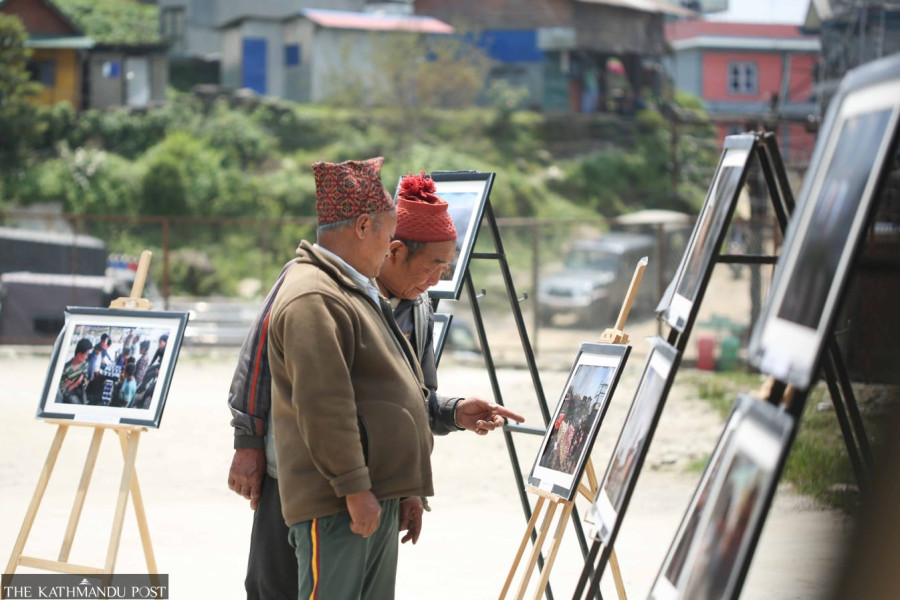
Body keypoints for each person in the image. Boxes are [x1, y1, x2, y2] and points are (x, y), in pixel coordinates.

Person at [229, 168, 524, 600]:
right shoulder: (318, 291)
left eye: (447, 266)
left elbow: (410, 398)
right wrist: (248, 443)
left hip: (368, 488)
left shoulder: (415, 308)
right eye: (434, 264)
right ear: (393, 247)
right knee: (275, 586)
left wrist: (447, 422)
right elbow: (278, 378)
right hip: (302, 476)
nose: (439, 279)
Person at [57, 338, 92, 404]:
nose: (87, 357)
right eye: (86, 354)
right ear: (79, 354)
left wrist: (72, 383)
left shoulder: (85, 364)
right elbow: (63, 392)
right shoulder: (65, 369)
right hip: (70, 397)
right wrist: (77, 382)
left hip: (81, 392)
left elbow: (85, 381)